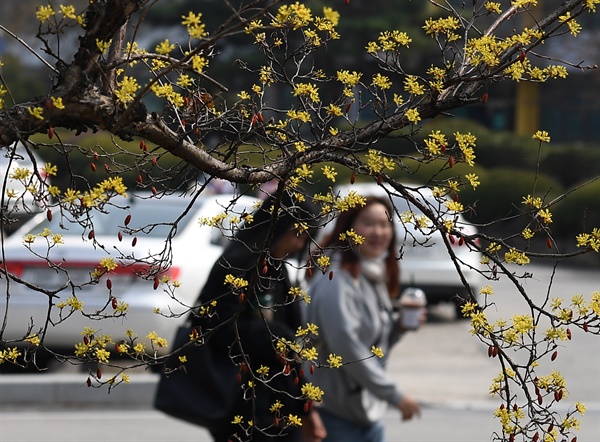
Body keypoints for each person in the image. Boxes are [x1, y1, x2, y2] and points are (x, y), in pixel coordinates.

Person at [190, 190, 326, 442]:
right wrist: (274, 337)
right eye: (296, 234)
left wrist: (305, 409)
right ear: (275, 225)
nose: (297, 245)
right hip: (240, 406)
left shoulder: (277, 270)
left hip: (280, 407)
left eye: (304, 239)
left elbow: (290, 352)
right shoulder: (236, 265)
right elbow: (214, 328)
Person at [305, 195, 422, 442]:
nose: (379, 231)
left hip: (362, 413)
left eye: (385, 224)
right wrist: (394, 395)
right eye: (368, 223)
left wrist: (398, 327)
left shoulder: (368, 270)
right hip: (334, 416)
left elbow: (373, 346)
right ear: (348, 228)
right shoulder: (336, 278)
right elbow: (347, 349)